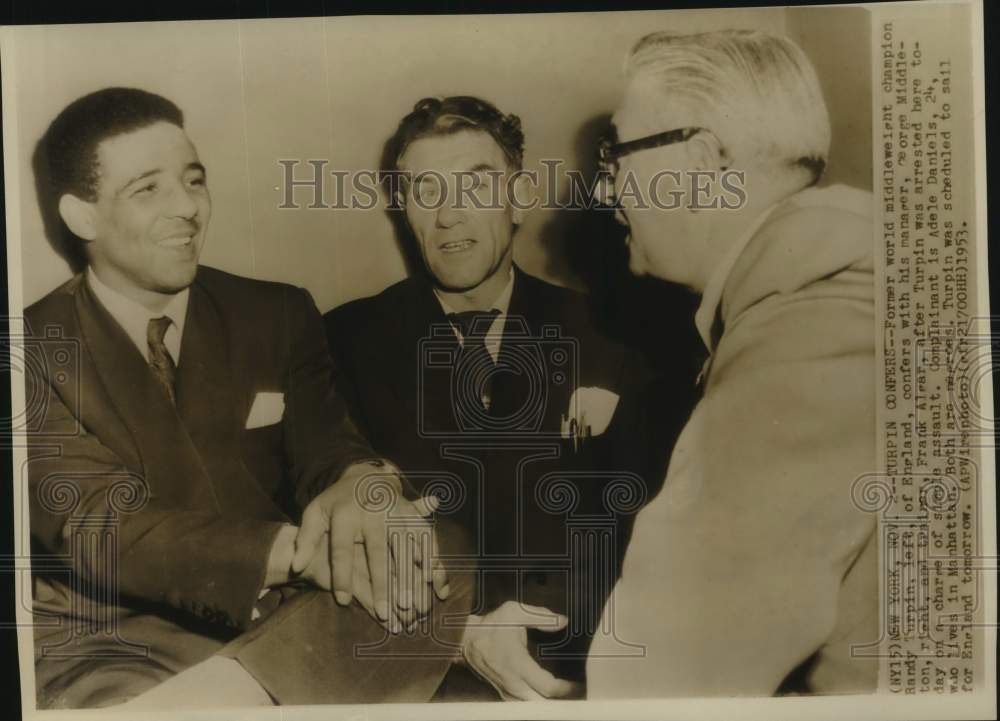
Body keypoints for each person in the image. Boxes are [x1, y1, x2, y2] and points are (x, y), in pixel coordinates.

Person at [25, 87, 444, 709]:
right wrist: (309, 552)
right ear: (82, 217)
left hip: (283, 621)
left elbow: (328, 446)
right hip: (113, 644)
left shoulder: (275, 312)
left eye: (194, 181)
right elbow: (99, 527)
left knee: (446, 547)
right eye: (149, 189)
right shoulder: (28, 348)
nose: (187, 208)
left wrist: (363, 487)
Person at [322, 96, 684, 701]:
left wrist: (542, 616)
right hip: (412, 667)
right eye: (425, 191)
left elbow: (651, 522)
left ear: (518, 199)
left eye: (475, 185)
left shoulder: (617, 337)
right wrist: (458, 633)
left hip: (579, 663)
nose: (448, 217)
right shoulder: (339, 342)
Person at [585, 29, 878, 696]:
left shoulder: (812, 323)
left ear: (701, 160)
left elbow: (670, 665)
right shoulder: (829, 288)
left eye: (616, 155)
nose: (605, 193)